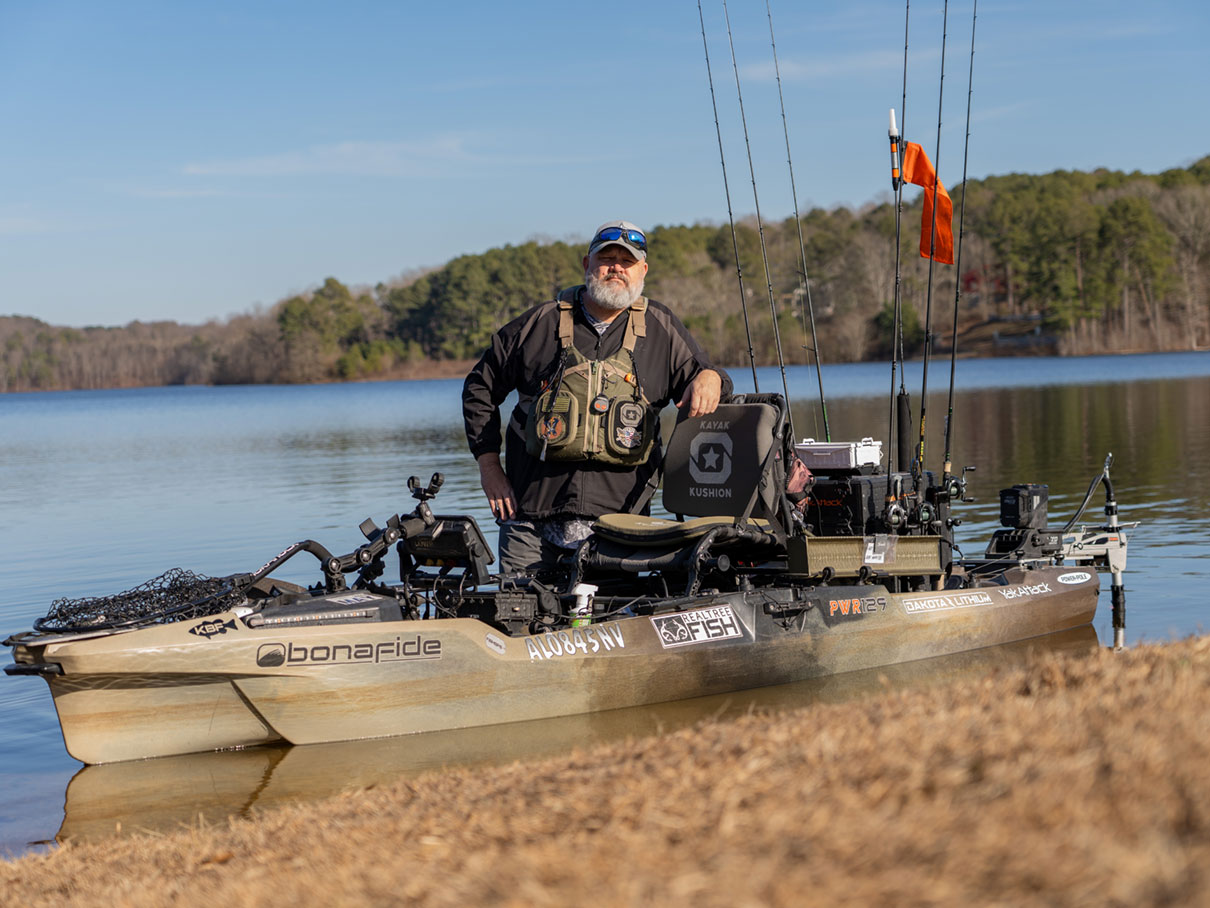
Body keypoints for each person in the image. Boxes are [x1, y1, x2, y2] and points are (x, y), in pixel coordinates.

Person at [463, 219, 732, 575]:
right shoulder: (539, 323)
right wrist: (489, 467)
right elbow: (479, 387)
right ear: (586, 265)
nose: (616, 268)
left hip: (622, 529)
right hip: (529, 523)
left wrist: (712, 377)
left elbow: (711, 381)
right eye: (606, 259)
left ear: (643, 270)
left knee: (617, 626)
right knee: (519, 623)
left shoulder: (661, 326)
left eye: (628, 261)